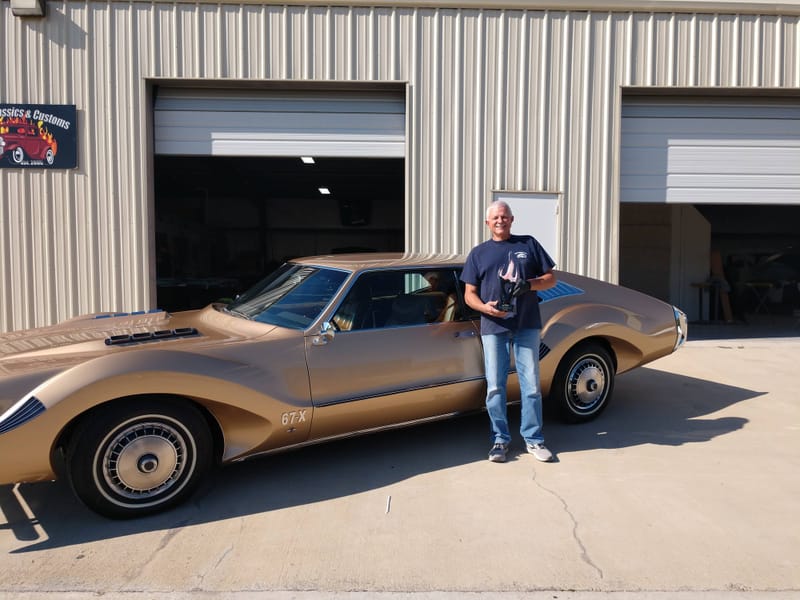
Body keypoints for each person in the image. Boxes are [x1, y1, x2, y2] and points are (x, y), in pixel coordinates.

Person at [461, 200, 557, 463]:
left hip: (526, 324)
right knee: (495, 387)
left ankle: (534, 440)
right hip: (494, 327)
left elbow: (551, 279)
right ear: (487, 223)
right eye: (495, 218)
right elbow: (469, 295)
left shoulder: (528, 244)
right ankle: (500, 441)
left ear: (512, 220)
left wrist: (528, 285)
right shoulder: (478, 253)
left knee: (531, 386)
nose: (500, 221)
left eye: (504, 216)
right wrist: (486, 309)